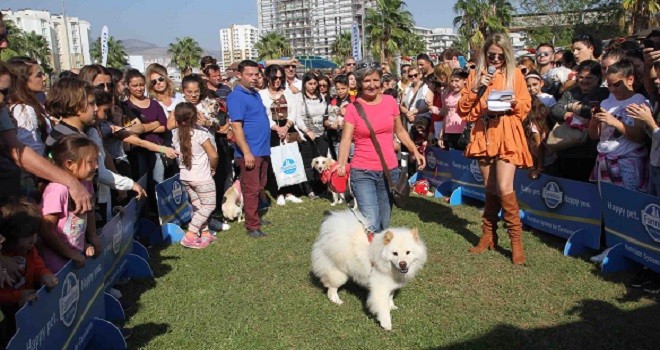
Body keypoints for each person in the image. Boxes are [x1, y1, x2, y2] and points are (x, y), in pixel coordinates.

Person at [0, 15, 92, 214]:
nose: (5, 43)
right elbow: (22, 152)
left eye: (5, 35)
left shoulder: (27, 107)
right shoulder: (24, 109)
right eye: (38, 74)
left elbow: (20, 148)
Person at [457, 33, 532, 265]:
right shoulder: (475, 75)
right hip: (483, 131)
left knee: (503, 186)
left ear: (507, 55)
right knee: (490, 188)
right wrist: (476, 88)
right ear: (484, 54)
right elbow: (462, 109)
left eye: (500, 55)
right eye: (491, 55)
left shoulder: (515, 74)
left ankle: (516, 241)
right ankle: (488, 235)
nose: (496, 59)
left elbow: (525, 105)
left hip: (507, 131)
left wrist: (513, 103)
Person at [336, 61, 425, 234]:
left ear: (381, 81)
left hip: (389, 171)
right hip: (362, 172)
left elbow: (400, 130)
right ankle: (369, 260)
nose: (372, 85)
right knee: (371, 222)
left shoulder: (390, 102)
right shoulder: (353, 109)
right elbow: (346, 140)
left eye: (375, 80)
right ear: (360, 82)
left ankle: (379, 258)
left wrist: (415, 150)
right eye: (367, 81)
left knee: (384, 223)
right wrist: (341, 164)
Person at [40, 135, 101, 272]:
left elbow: (88, 210)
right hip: (56, 261)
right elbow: (46, 230)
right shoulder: (57, 190)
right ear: (70, 164)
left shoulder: (86, 183)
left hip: (75, 256)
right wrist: (70, 254)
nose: (96, 166)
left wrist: (90, 239)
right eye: (91, 162)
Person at [0, 198, 58, 344]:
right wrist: (18, 296)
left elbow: (38, 266)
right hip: (8, 315)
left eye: (35, 234)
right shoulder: (3, 262)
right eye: (27, 236)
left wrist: (45, 275)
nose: (33, 240)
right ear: (10, 236)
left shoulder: (29, 249)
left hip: (27, 306)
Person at [588, 59, 649, 192]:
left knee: (629, 206)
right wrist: (594, 122)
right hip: (605, 160)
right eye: (609, 85)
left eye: (616, 85)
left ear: (630, 79)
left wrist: (614, 122)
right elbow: (594, 136)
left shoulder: (639, 101)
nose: (612, 89)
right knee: (608, 204)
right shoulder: (605, 102)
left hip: (629, 162)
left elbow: (640, 137)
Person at [227, 60, 271, 238]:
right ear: (239, 75)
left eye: (256, 74)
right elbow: (236, 127)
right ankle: (252, 225)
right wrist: (246, 153)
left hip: (262, 149)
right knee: (251, 189)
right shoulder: (236, 96)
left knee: (260, 186)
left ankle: (255, 217)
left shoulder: (254, 93)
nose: (254, 78)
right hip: (250, 152)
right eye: (249, 75)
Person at [549, 60, 609, 181]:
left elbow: (596, 112)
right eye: (581, 77)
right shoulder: (570, 93)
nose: (584, 81)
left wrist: (576, 107)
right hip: (567, 148)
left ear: (598, 78)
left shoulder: (604, 93)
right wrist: (570, 114)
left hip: (589, 152)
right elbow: (555, 110)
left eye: (589, 78)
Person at [172, 102, 218, 248]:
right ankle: (190, 234)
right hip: (202, 177)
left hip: (185, 176)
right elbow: (214, 156)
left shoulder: (175, 134)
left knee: (198, 206)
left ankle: (205, 234)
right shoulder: (201, 134)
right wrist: (213, 168)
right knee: (209, 205)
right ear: (194, 117)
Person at [258, 64, 303, 206]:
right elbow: (264, 114)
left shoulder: (288, 92)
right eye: (274, 77)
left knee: (289, 159)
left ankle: (289, 191)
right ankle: (278, 192)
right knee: (275, 162)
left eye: (280, 78)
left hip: (288, 129)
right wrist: (277, 128)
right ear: (268, 78)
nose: (277, 80)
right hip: (271, 131)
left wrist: (286, 127)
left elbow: (293, 112)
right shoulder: (262, 94)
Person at [5, 57, 50, 198]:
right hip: (32, 178)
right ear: (22, 81)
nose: (44, 78)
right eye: (38, 75)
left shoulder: (29, 105)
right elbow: (32, 147)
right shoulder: (24, 109)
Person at [627, 61, 659, 195]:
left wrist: (650, 122)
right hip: (655, 165)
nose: (656, 81)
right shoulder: (658, 103)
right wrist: (644, 122)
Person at [296, 72, 329, 198]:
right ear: (304, 84)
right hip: (306, 135)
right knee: (308, 163)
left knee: (321, 161)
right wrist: (306, 131)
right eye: (310, 83)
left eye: (315, 83)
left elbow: (324, 113)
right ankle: (309, 189)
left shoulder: (321, 96)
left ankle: (321, 186)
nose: (313, 86)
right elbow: (297, 117)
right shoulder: (299, 97)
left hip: (320, 134)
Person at [523, 97, 553, 179]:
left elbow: (539, 148)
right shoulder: (535, 123)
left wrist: (539, 168)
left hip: (547, 162)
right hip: (541, 160)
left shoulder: (533, 128)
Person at [438, 69, 468, 150]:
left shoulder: (467, 94)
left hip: (462, 132)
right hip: (449, 131)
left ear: (465, 80)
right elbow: (446, 114)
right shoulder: (449, 95)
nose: (454, 84)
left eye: (457, 81)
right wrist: (441, 133)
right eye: (452, 81)